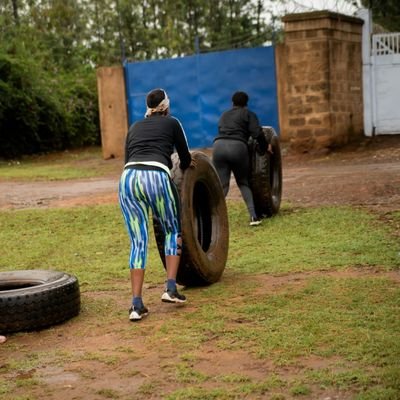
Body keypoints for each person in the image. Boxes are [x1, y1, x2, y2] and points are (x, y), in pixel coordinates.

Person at [118, 88, 192, 322]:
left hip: (128, 179)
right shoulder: (172, 123)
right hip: (157, 176)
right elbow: (185, 159)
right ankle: (170, 288)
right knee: (172, 230)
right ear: (166, 106)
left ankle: (136, 304)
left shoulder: (134, 127)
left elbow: (127, 158)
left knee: (138, 241)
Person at [212, 91, 270, 226]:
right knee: (243, 182)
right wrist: (265, 147)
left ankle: (213, 218)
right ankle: (253, 217)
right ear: (246, 104)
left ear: (232, 103)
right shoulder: (248, 114)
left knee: (222, 185)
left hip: (218, 147)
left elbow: (221, 128)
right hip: (238, 147)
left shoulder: (224, 115)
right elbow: (257, 133)